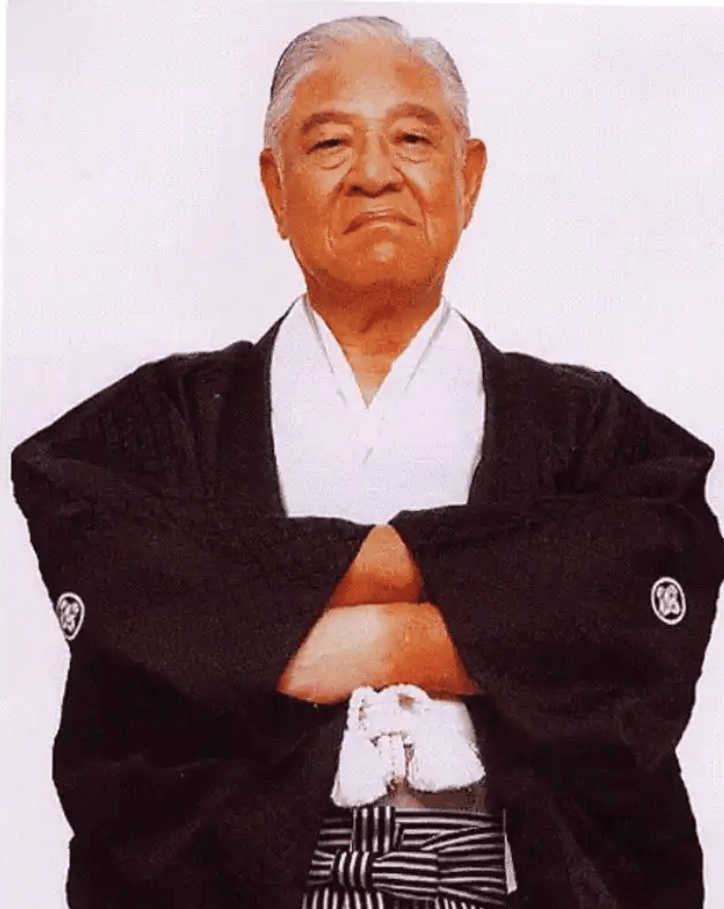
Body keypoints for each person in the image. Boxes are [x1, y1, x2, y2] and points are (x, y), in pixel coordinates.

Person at [11, 15, 724, 909]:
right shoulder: (157, 428)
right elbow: (131, 613)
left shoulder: (596, 433)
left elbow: (632, 613)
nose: (375, 173)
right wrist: (486, 610)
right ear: (274, 187)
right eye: (330, 143)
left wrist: (325, 632)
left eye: (414, 139)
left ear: (469, 176)